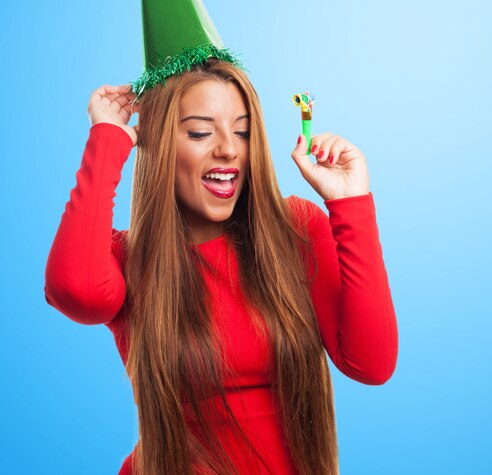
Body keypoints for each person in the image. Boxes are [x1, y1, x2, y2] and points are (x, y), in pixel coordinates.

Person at [45, 3, 397, 475]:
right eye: (199, 132)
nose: (228, 148)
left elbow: (371, 363)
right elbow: (74, 290)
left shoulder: (294, 231)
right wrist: (108, 139)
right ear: (160, 143)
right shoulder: (129, 260)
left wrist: (351, 205)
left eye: (243, 131)